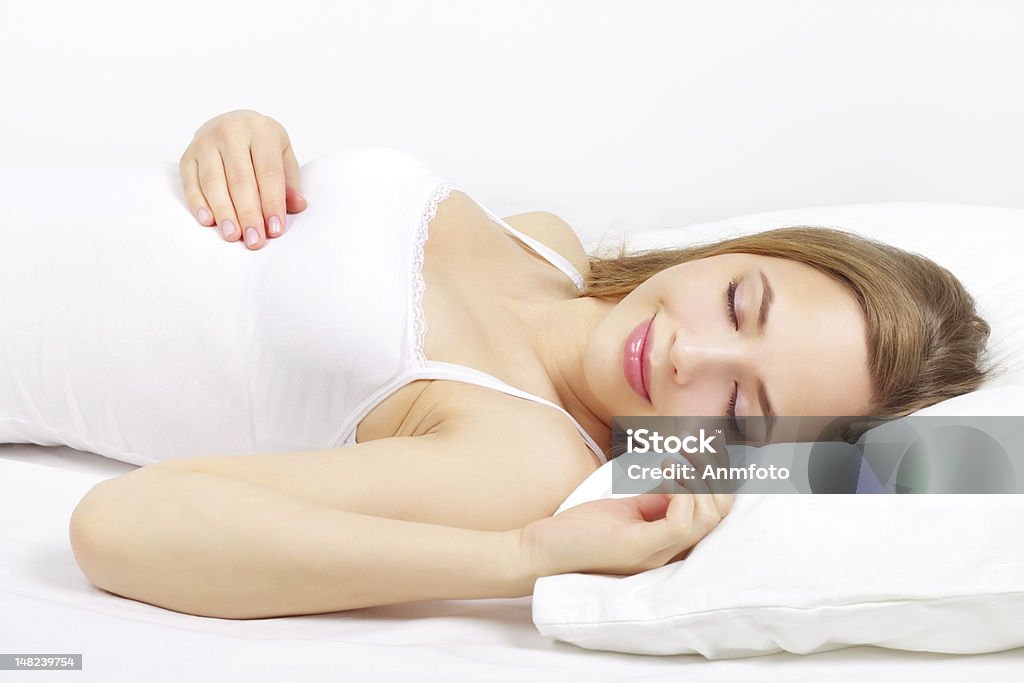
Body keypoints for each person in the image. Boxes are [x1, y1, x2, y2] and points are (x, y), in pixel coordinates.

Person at [62, 110, 993, 620]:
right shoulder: (547, 245)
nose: (687, 354)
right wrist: (236, 135)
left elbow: (121, 524)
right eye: (740, 302)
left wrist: (516, 558)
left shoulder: (521, 458)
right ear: (744, 246)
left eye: (740, 407)